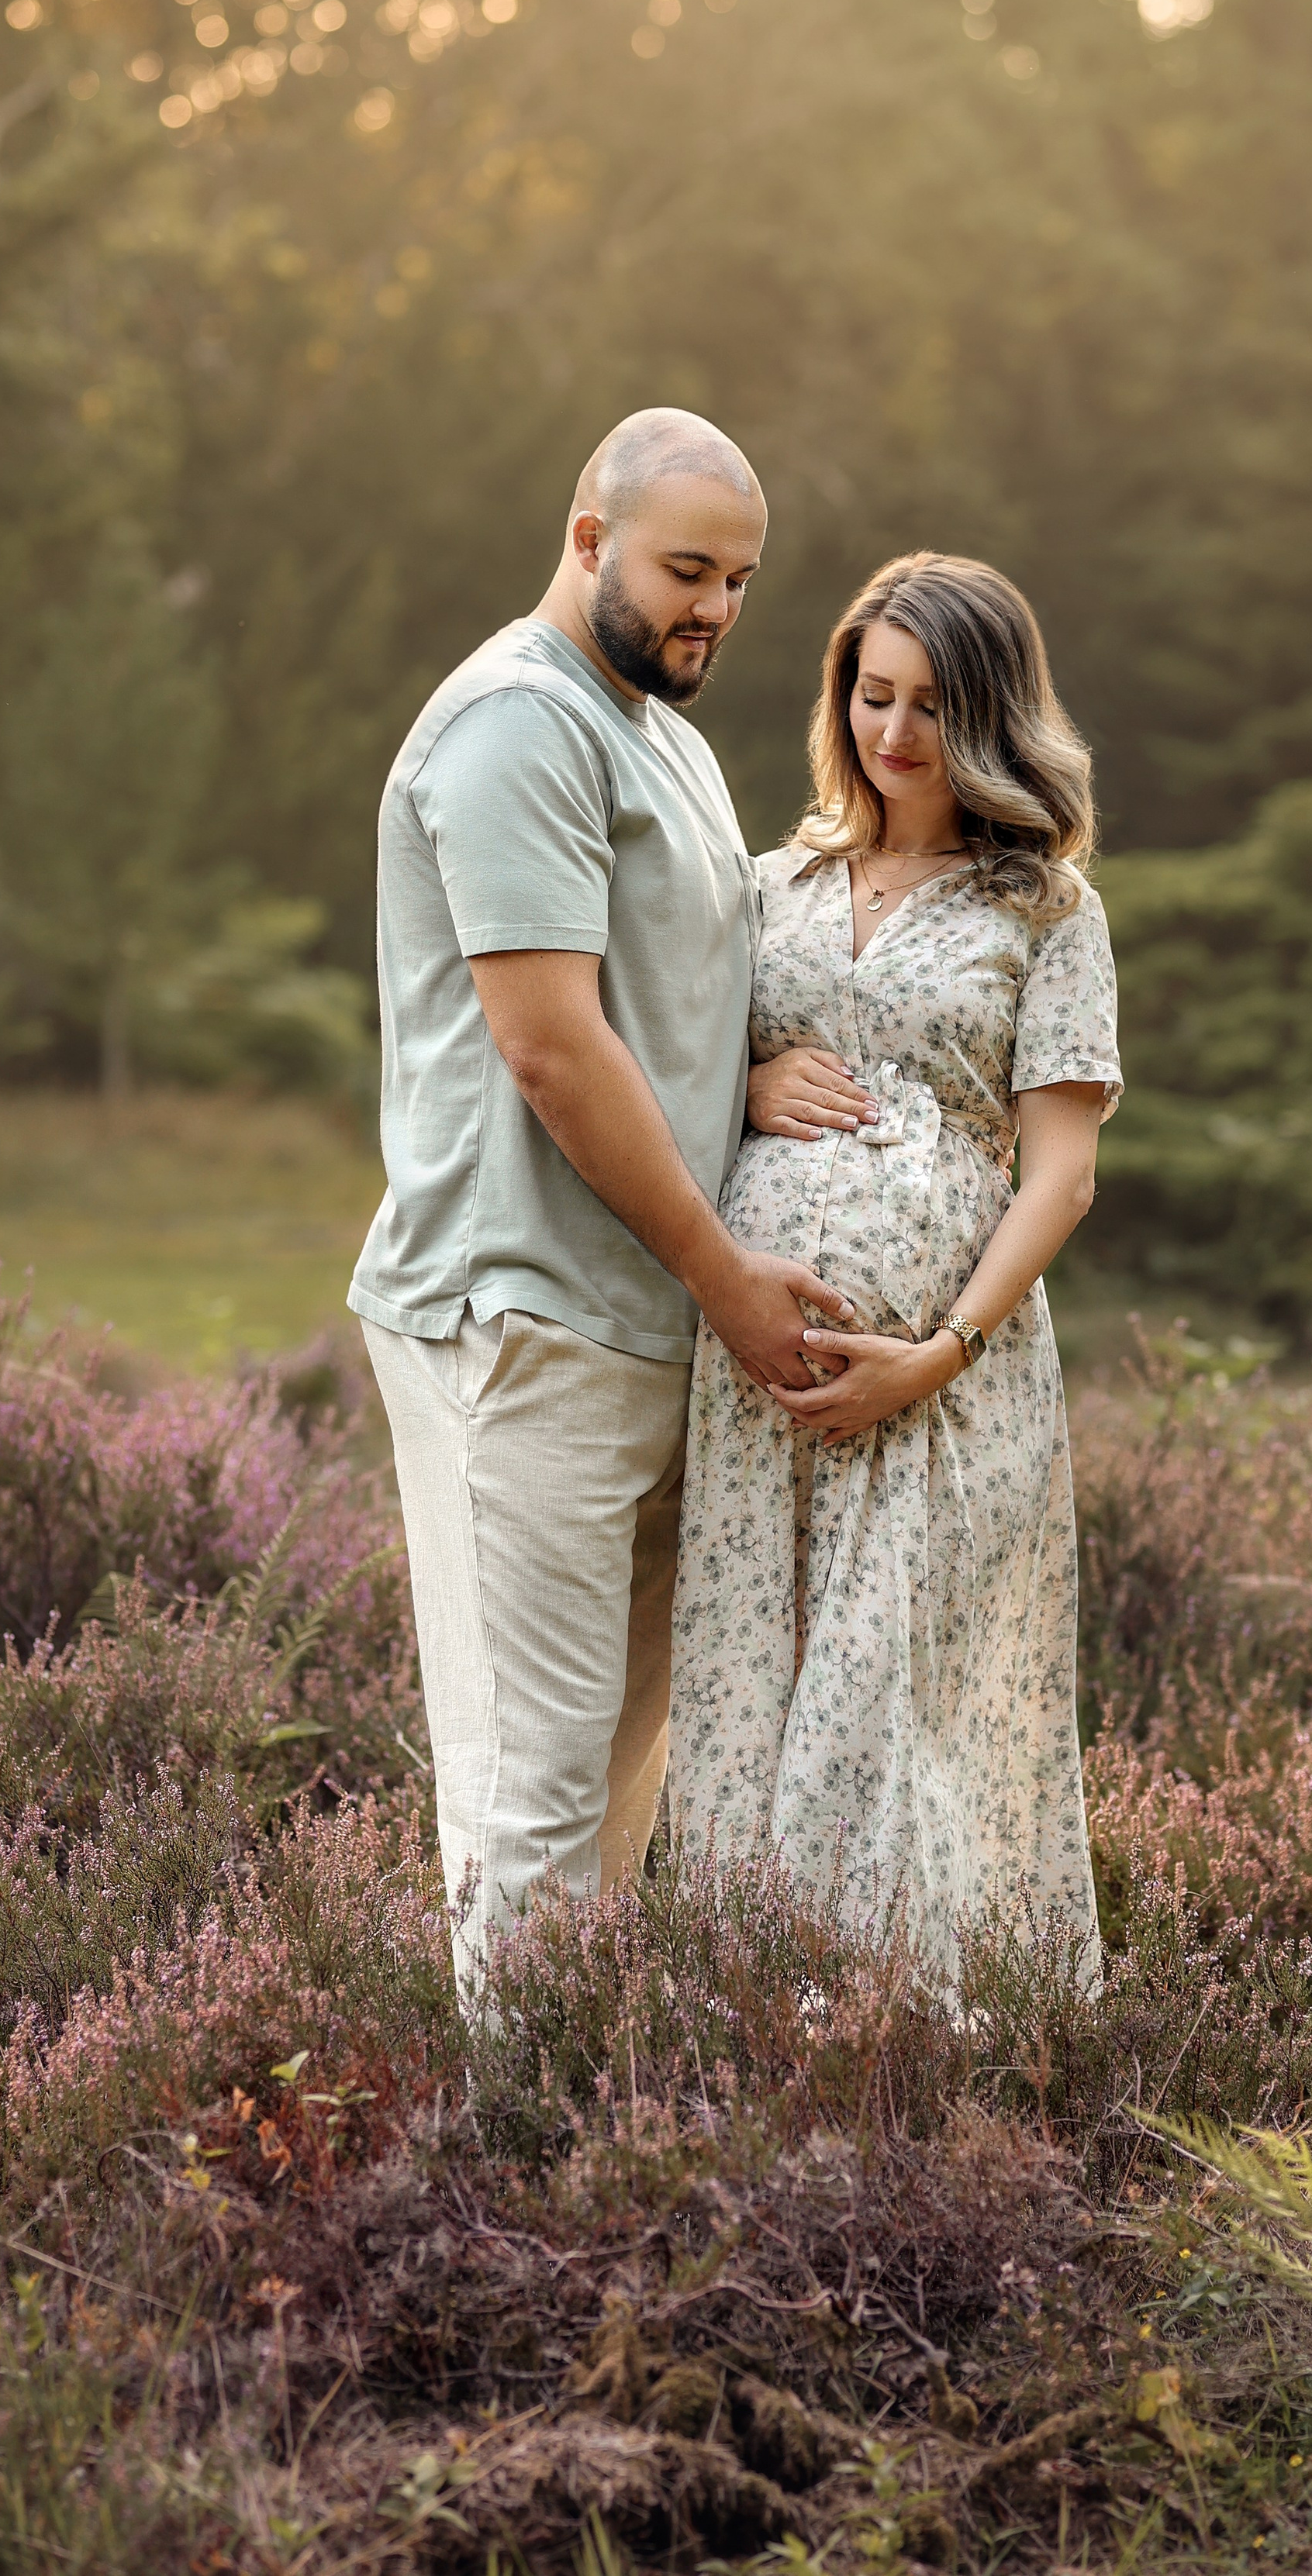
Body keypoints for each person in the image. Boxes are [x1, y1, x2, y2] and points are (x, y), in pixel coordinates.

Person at [348, 408, 852, 1995]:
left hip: (649, 1332)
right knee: (532, 1804)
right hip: (525, 1322)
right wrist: (727, 1282)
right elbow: (552, 1046)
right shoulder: (516, 728)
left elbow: (667, 992)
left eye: (741, 581)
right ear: (586, 539)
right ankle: (500, 2202)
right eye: (684, 568)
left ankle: (581, 2170)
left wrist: (745, 1075)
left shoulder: (672, 746)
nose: (712, 607)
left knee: (614, 1814)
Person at [669, 552, 1122, 1983]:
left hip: (942, 1390)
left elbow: (1062, 1172)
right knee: (753, 1699)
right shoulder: (771, 884)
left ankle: (924, 2066)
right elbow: (667, 1076)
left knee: (892, 1720)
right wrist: (741, 1092)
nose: (896, 733)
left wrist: (941, 1351)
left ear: (992, 717)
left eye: (933, 704)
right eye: (873, 695)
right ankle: (752, 2040)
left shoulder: (1046, 912)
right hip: (761, 1385)